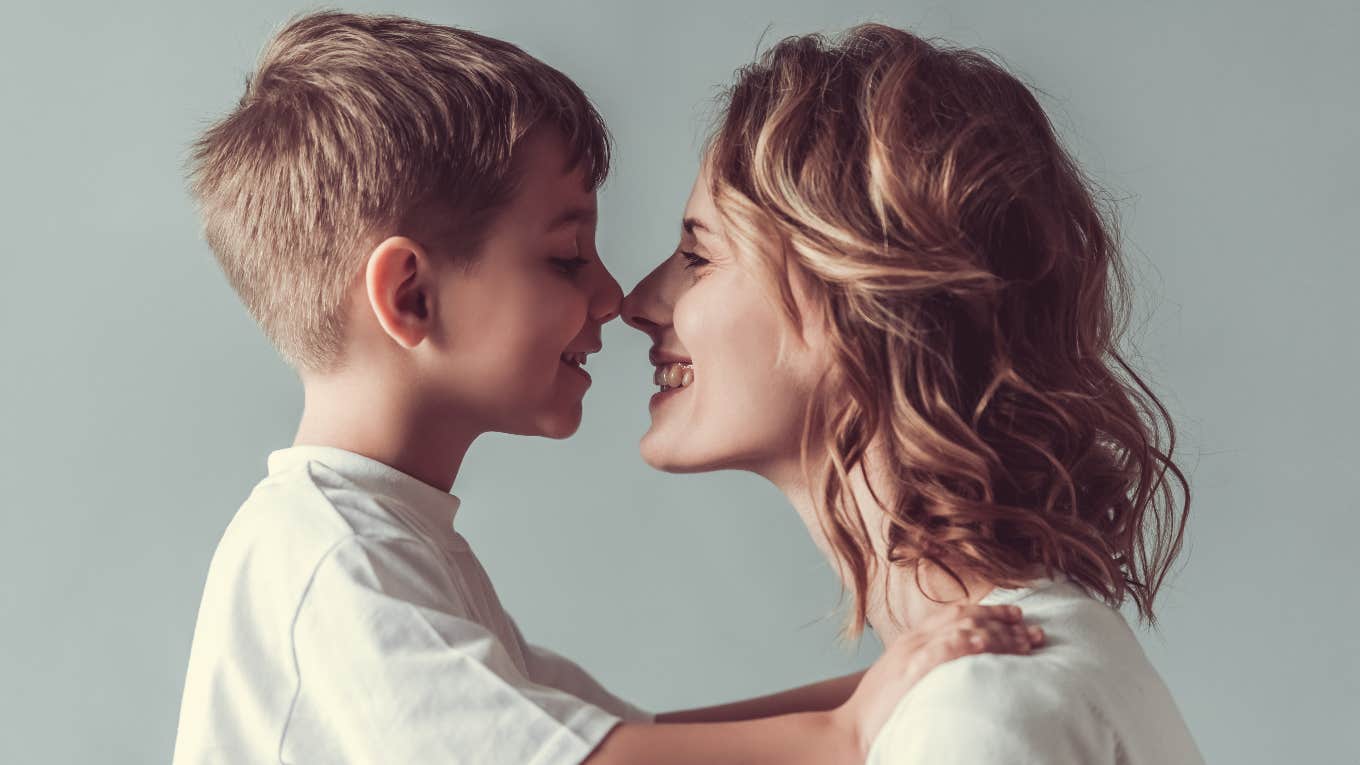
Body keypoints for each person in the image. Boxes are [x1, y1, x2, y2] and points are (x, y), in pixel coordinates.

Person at [173, 12, 1038, 765]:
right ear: (410, 296)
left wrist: (876, 686)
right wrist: (847, 734)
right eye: (564, 255)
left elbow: (630, 735)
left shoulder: (377, 542)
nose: (613, 295)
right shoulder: (330, 561)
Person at [622, 24, 1205, 764]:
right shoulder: (1002, 671)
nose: (636, 301)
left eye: (698, 256)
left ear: (856, 296)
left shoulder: (978, 712)